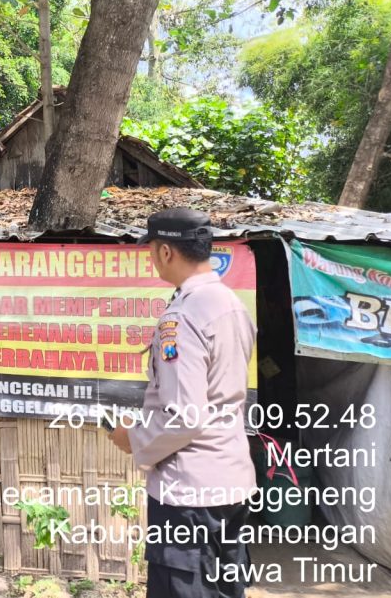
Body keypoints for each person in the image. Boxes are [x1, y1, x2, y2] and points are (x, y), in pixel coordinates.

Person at [109, 207, 257, 598]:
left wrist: (133, 439)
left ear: (166, 252)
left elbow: (185, 417)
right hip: (231, 481)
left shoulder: (184, 316)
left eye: (151, 250)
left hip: (189, 492)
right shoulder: (231, 305)